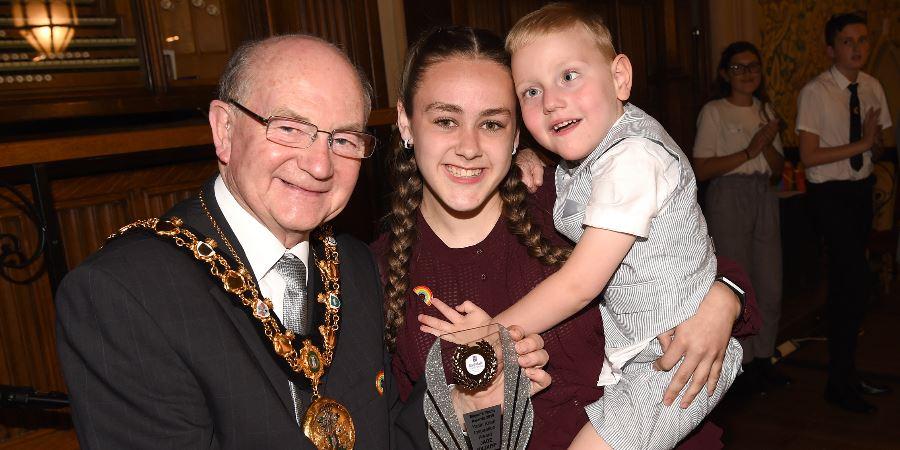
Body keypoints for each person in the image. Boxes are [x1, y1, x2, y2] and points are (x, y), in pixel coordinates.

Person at [53, 34, 550, 450]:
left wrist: (466, 393)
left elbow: (395, 438)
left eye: (343, 139)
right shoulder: (125, 294)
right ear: (224, 130)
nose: (318, 164)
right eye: (290, 129)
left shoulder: (354, 266)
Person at [378, 24, 757, 449]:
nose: (470, 147)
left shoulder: (565, 200)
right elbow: (392, 432)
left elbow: (693, 254)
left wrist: (724, 298)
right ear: (406, 123)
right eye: (446, 120)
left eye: (492, 123)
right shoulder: (371, 274)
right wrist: (472, 401)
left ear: (517, 131)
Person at [796, 12, 893, 414]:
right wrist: (862, 143)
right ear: (831, 49)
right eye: (848, 41)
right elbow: (808, 155)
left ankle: (847, 375)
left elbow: (880, 146)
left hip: (860, 191)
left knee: (853, 287)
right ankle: (839, 382)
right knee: (850, 283)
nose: (858, 48)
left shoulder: (872, 86)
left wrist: (873, 145)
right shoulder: (815, 92)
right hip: (830, 194)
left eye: (863, 40)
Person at [693, 41, 788, 392]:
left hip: (764, 194)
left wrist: (768, 143)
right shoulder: (715, 111)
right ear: (724, 73)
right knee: (738, 284)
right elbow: (701, 168)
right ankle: (741, 367)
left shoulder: (766, 109)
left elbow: (777, 168)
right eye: (738, 67)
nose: (747, 74)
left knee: (771, 283)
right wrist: (750, 149)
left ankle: (764, 359)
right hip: (729, 196)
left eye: (753, 67)